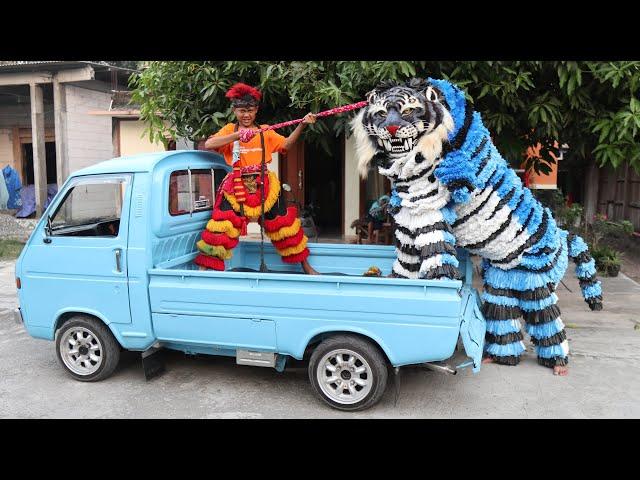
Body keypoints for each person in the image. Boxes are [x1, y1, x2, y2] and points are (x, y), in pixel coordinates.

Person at [194, 82, 318, 274]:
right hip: (235, 186)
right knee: (220, 227)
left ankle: (307, 267)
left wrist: (302, 124)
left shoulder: (265, 131)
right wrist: (237, 135)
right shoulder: (229, 130)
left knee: (285, 224)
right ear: (234, 110)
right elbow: (210, 143)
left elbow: (285, 145)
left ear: (256, 110)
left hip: (265, 186)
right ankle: (203, 270)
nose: (246, 115)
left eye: (250, 110)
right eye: (242, 110)